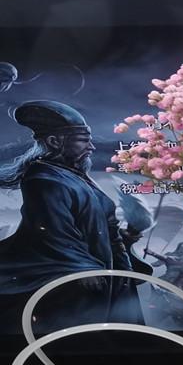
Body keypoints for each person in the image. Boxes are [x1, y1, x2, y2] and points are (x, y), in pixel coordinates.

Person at [0, 100, 135, 333]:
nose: (91, 147)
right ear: (55, 142)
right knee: (67, 336)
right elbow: (51, 229)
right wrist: (81, 266)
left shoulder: (73, 176)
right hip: (69, 275)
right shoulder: (44, 179)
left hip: (101, 270)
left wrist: (124, 242)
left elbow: (101, 224)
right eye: (83, 140)